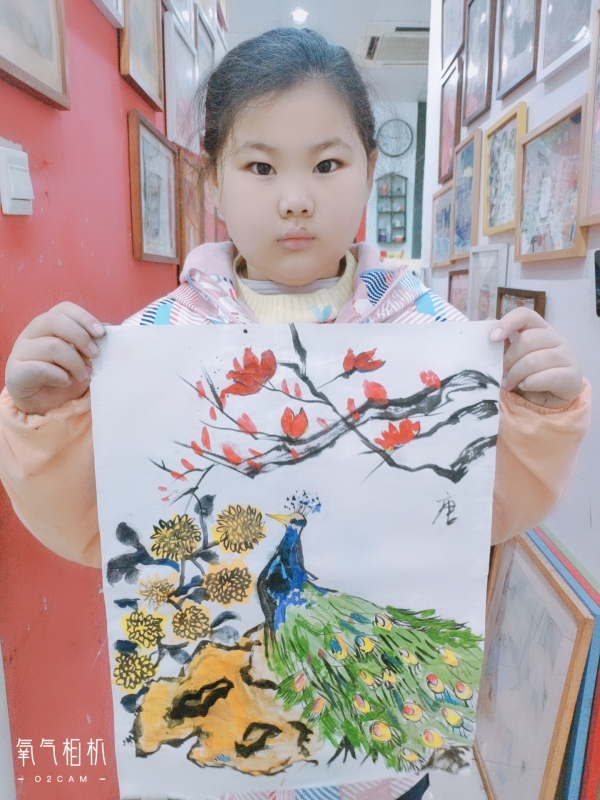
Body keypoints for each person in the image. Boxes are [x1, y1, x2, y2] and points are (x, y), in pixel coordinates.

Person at [0, 27, 590, 800]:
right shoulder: (155, 345)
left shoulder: (434, 338)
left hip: (381, 773)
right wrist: (48, 418)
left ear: (370, 168)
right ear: (212, 180)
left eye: (327, 164)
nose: (295, 197)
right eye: (259, 166)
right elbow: (92, 525)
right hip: (214, 767)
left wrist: (539, 412)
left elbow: (493, 509)